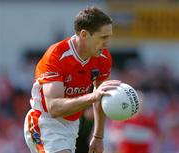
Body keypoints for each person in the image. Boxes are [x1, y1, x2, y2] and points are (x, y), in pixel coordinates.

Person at [24, 6, 120, 153]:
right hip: (44, 122)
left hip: (72, 125)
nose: (107, 43)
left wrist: (98, 136)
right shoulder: (56, 56)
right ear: (84, 35)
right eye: (103, 37)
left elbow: (102, 97)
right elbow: (54, 108)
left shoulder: (104, 57)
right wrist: (93, 96)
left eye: (109, 37)